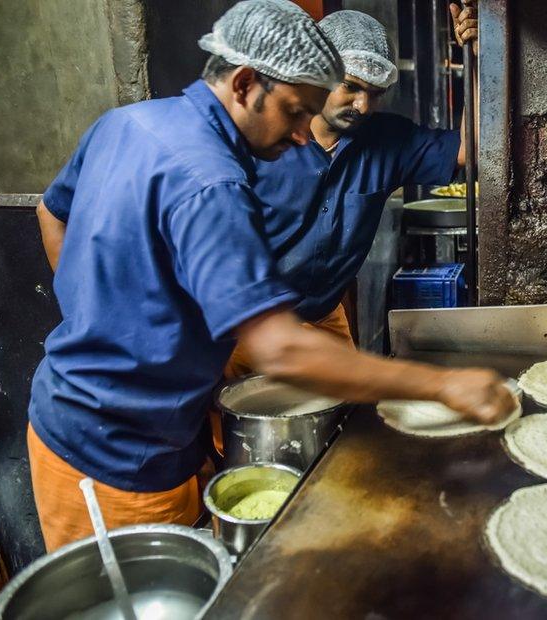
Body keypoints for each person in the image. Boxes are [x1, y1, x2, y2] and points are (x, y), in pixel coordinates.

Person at [30, 0, 513, 552]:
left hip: (122, 411)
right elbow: (280, 350)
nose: (304, 135)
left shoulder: (128, 121)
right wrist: (447, 385)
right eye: (293, 111)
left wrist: (88, 313)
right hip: (115, 445)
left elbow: (52, 209)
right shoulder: (215, 182)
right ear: (244, 83)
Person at [230, 3, 479, 358]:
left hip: (324, 317)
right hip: (251, 325)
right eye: (350, 86)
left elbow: (470, 149)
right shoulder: (263, 139)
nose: (362, 105)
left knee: (343, 412)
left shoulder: (387, 141)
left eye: (374, 93)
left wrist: (479, 57)